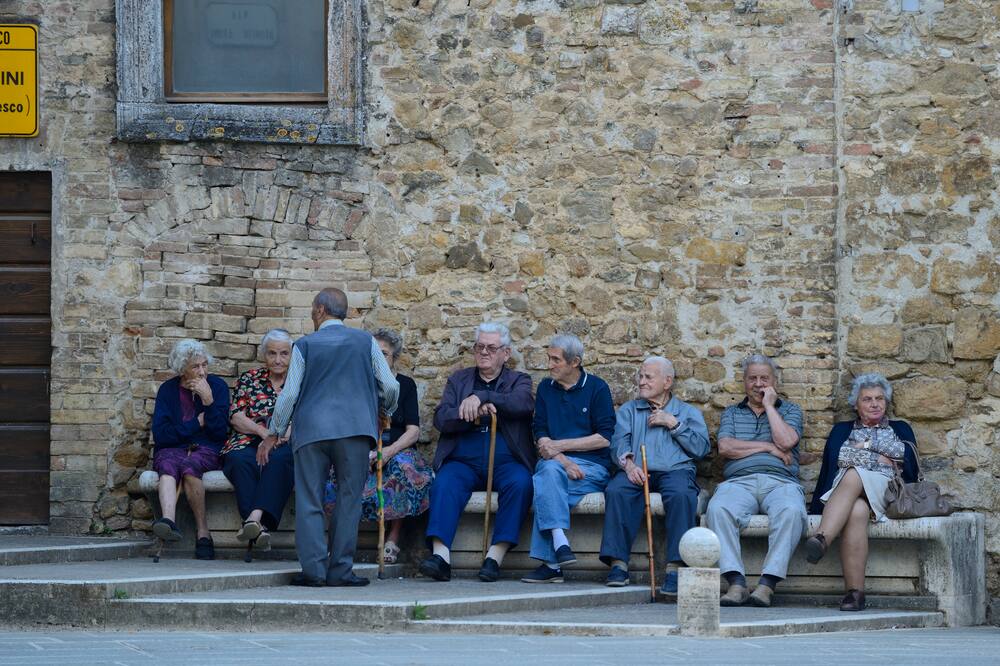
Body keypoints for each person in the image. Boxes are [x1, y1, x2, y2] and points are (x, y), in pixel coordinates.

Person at [267, 288, 399, 587]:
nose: (312, 315)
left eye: (313, 309)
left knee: (309, 499)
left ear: (321, 310)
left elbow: (289, 395)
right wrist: (385, 410)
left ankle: (313, 571)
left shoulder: (304, 345)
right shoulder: (365, 342)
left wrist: (275, 430)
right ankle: (340, 571)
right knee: (348, 501)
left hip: (312, 431)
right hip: (354, 430)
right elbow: (390, 386)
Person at [419, 322, 535, 583]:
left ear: (505, 353)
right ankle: (441, 557)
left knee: (521, 483)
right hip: (464, 460)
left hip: (506, 461)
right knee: (445, 482)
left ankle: (494, 557)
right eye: (479, 347)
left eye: (491, 348)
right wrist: (469, 413)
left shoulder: (519, 380)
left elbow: (523, 404)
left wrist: (483, 397)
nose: (484, 352)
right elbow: (441, 419)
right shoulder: (459, 380)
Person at [805, 373, 919, 611]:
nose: (874, 404)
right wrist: (881, 457)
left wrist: (865, 446)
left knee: (854, 473)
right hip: (848, 493)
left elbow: (906, 457)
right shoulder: (841, 430)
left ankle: (822, 537)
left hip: (888, 490)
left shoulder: (900, 428)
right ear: (856, 405)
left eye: (879, 399)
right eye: (867, 399)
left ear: (886, 403)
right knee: (857, 510)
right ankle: (855, 594)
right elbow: (840, 457)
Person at [598, 356, 710, 597]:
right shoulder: (629, 410)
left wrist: (673, 423)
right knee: (616, 490)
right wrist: (628, 465)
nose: (641, 381)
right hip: (637, 470)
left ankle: (675, 567)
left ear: (667, 381)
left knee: (682, 494)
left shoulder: (686, 412)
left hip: (676, 470)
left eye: (648, 377)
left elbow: (701, 449)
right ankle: (618, 564)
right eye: (641, 376)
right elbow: (618, 441)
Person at [324, 328, 433, 564]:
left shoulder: (405, 385)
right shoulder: (356, 385)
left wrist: (388, 452)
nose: (377, 358)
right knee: (334, 471)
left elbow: (413, 431)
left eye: (383, 353)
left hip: (395, 449)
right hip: (360, 446)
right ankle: (341, 542)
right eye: (373, 353)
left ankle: (392, 539)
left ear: (395, 358)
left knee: (403, 469)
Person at [704, 353, 806, 608]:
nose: (758, 384)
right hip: (739, 482)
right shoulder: (731, 412)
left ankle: (766, 586)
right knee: (718, 508)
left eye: (764, 378)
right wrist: (768, 448)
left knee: (792, 511)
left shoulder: (791, 410)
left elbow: (786, 441)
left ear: (774, 382)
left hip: (780, 482)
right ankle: (736, 583)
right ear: (744, 382)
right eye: (752, 378)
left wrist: (770, 407)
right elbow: (726, 448)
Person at [521, 335, 616, 584]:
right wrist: (564, 461)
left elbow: (604, 438)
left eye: (555, 360)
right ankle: (560, 542)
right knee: (550, 474)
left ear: (574, 362)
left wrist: (560, 448)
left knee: (545, 482)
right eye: (549, 358)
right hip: (559, 465)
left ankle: (552, 564)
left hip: (592, 468)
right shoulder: (545, 388)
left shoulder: (597, 388)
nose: (549, 364)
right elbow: (539, 432)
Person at [150, 339, 230, 560]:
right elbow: (162, 435)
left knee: (190, 465)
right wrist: (196, 424)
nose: (202, 372)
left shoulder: (218, 387)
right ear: (182, 369)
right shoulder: (168, 390)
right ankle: (168, 522)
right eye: (196, 366)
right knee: (167, 463)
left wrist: (209, 400)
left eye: (204, 365)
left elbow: (220, 433)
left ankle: (203, 532)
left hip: (207, 448)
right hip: (173, 447)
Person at [221, 329, 296, 551]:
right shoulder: (250, 378)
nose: (278, 360)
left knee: (280, 460)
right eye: (272, 353)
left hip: (285, 441)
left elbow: (305, 415)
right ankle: (260, 528)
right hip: (249, 437)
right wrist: (265, 434)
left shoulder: (299, 381)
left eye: (284, 354)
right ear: (264, 354)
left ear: (292, 355)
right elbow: (236, 417)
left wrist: (281, 436)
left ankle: (254, 518)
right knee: (238, 459)